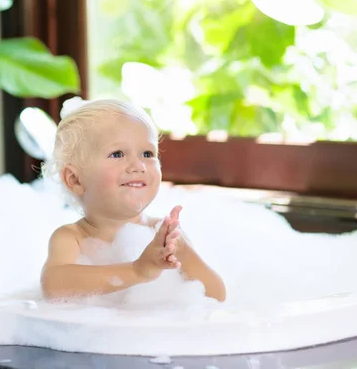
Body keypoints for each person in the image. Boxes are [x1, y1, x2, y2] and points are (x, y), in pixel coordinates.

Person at [40, 98, 226, 302]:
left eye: (147, 153)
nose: (139, 166)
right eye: (117, 154)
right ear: (75, 179)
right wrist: (137, 271)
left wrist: (183, 251)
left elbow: (216, 296)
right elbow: (53, 285)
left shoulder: (163, 234)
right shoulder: (72, 238)